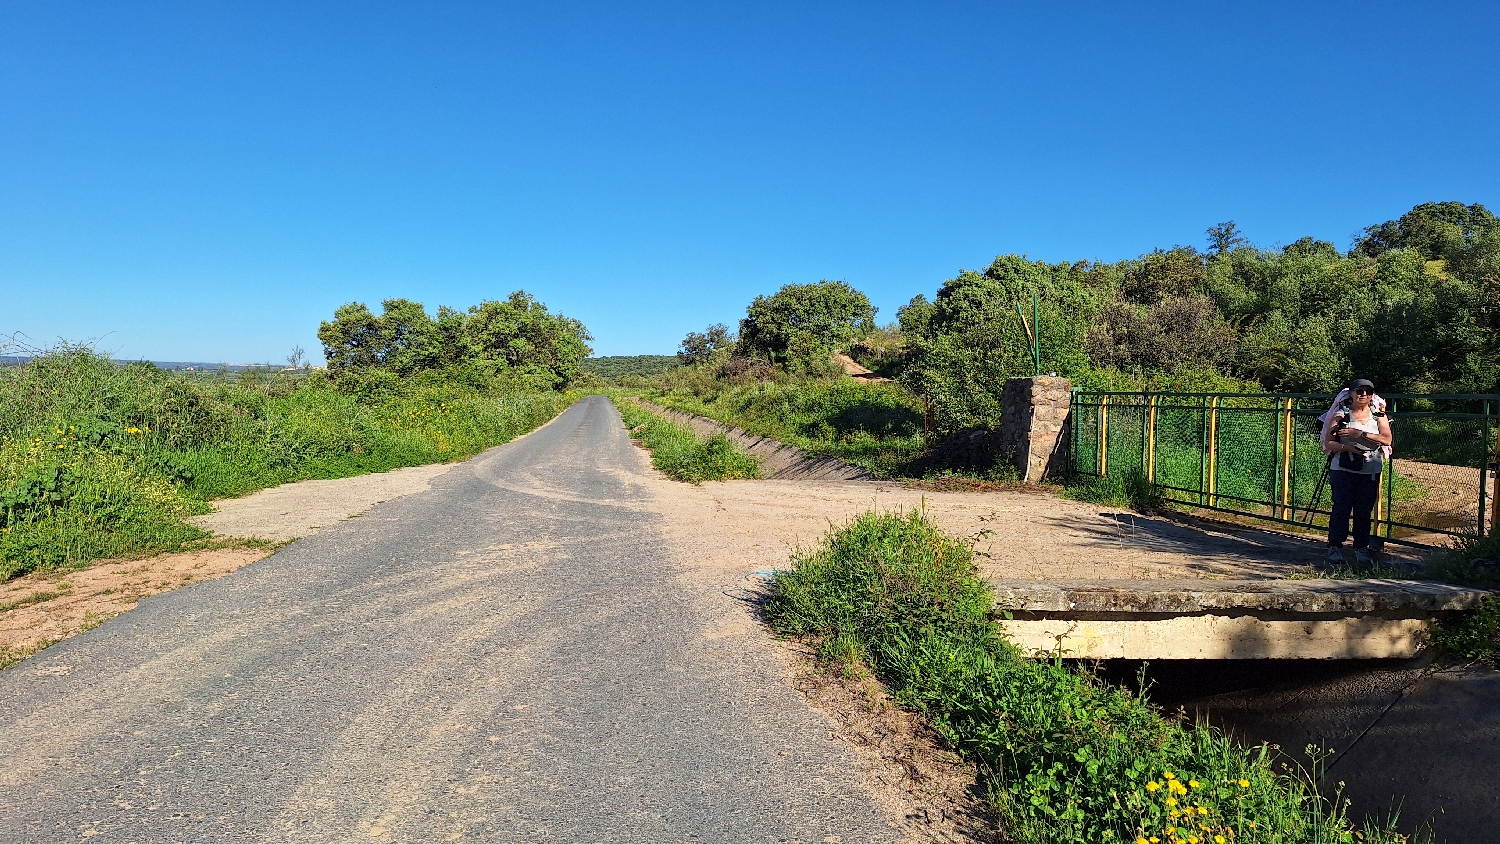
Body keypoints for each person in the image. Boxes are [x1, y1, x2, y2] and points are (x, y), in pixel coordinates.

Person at [1319, 378, 1393, 565]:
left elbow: (1386, 439)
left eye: (1367, 392)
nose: (1363, 395)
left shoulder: (1379, 416)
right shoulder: (1341, 414)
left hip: (1369, 470)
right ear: (1351, 393)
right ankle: (1335, 546)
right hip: (1342, 469)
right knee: (1341, 508)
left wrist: (1359, 435)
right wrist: (1348, 448)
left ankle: (1361, 548)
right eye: (1359, 391)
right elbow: (1329, 442)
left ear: (1372, 395)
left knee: (1363, 510)